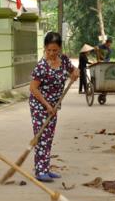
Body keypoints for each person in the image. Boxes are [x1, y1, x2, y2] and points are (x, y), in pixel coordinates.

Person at [29, 32, 79, 182]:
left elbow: (73, 71)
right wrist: (46, 105)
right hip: (39, 105)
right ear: (44, 48)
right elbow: (33, 89)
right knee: (41, 136)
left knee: (49, 136)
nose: (51, 53)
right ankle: (40, 171)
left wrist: (75, 73)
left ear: (60, 49)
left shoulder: (63, 60)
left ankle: (46, 168)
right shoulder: (41, 66)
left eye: (55, 50)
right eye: (48, 50)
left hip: (54, 105)